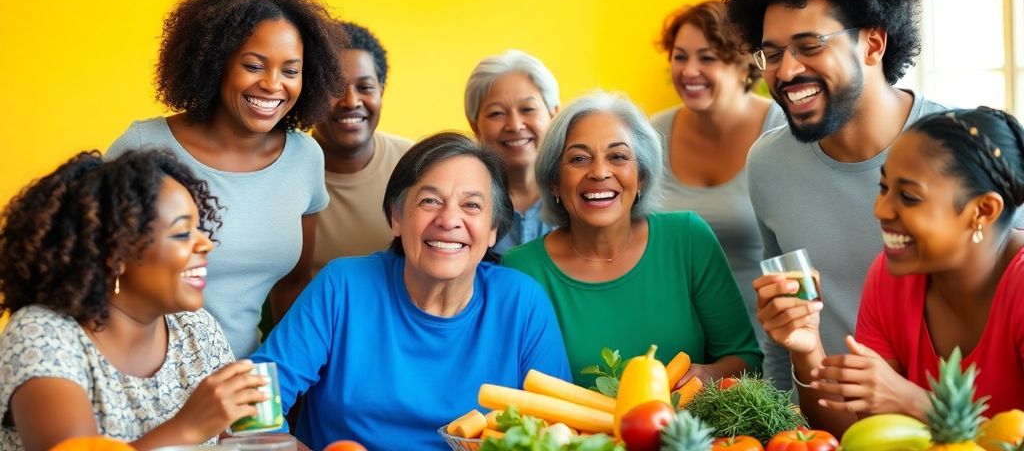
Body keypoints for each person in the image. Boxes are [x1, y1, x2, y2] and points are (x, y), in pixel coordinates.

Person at [249, 133, 571, 450]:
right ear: (396, 218)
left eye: (471, 205)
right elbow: (252, 402)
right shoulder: (342, 287)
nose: (449, 220)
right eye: (429, 200)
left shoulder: (522, 303)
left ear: (493, 230)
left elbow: (559, 433)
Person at [723, 0, 948, 391]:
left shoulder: (963, 148)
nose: (786, 72)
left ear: (873, 44)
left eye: (809, 45)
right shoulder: (769, 163)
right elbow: (785, 337)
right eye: (771, 53)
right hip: (826, 429)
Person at [106, 0, 345, 357]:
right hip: (145, 375)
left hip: (245, 380)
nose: (272, 84)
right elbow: (92, 270)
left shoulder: (305, 158)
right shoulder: (143, 147)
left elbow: (293, 285)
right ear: (217, 64)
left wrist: (287, 383)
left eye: (291, 70)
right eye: (253, 65)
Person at [758, 108, 1024, 432]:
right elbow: (858, 434)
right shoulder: (890, 275)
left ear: (982, 210)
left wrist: (913, 402)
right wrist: (808, 347)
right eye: (884, 188)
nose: (880, 209)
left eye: (909, 197)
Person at [0, 149, 267, 449]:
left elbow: (225, 441)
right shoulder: (42, 335)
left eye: (199, 229)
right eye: (181, 234)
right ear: (116, 253)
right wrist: (187, 429)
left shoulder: (196, 329)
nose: (206, 243)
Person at [503, 91, 762, 387]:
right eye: (579, 159)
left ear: (640, 176)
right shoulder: (523, 268)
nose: (599, 172)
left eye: (618, 156)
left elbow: (745, 360)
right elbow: (514, 388)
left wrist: (707, 376)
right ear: (554, 183)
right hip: (571, 435)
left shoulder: (688, 239)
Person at [650, 0, 784, 346]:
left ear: (744, 65)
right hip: (678, 350)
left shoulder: (781, 131)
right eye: (680, 57)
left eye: (707, 58)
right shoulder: (651, 135)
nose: (689, 70)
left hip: (767, 346)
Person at [311, 21, 412, 275]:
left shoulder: (415, 164)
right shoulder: (284, 167)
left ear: (381, 91)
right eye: (334, 88)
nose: (351, 101)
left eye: (365, 87)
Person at [464, 50, 559, 254]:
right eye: (497, 113)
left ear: (554, 115)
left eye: (528, 109)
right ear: (475, 126)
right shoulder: (461, 204)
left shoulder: (579, 196)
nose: (515, 126)